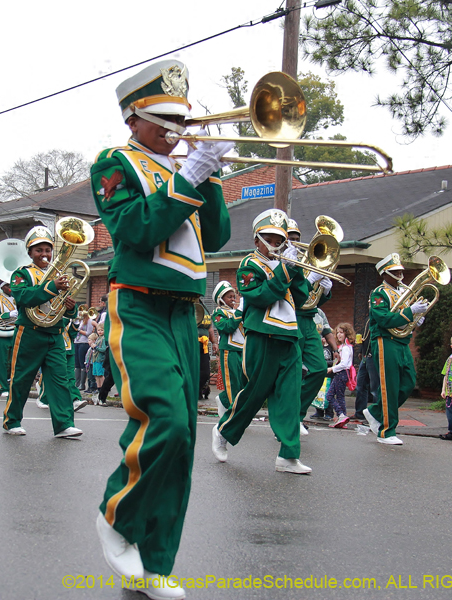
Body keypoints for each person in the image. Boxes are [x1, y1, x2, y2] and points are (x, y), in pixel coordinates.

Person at [91, 59, 231, 596]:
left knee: (182, 444)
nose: (178, 131)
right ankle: (114, 515)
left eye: (183, 120)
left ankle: (156, 563)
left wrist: (211, 175)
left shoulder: (185, 171)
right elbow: (134, 228)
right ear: (133, 118)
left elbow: (215, 237)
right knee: (165, 421)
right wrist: (189, 176)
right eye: (165, 119)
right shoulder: (115, 161)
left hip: (184, 315)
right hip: (140, 306)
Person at [213, 209, 311, 474]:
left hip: (290, 335)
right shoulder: (249, 264)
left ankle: (288, 456)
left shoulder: (285, 264)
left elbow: (303, 300)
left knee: (290, 396)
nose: (277, 243)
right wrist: (284, 272)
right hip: (262, 334)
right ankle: (223, 431)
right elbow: (260, 296)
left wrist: (303, 274)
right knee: (254, 394)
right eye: (270, 237)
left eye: (280, 238)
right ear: (257, 239)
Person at [2, 225, 82, 438]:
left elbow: (65, 309)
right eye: (39, 250)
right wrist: (52, 287)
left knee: (59, 380)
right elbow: (23, 297)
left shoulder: (60, 275)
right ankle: (12, 420)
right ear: (30, 252)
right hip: (30, 332)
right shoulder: (21, 274)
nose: (44, 254)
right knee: (21, 379)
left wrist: (70, 307)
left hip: (54, 333)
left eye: (47, 250)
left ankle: (64, 424)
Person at [362, 253, 429, 445]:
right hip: (385, 340)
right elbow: (383, 319)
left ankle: (375, 411)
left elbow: (405, 319)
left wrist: (416, 318)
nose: (400, 274)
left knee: (408, 382)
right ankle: (386, 431)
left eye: (400, 270)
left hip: (402, 341)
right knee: (389, 386)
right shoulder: (379, 293)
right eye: (394, 271)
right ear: (385, 274)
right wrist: (410, 312)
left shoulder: (403, 292)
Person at [286, 219, 334, 431]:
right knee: (293, 373)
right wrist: (307, 280)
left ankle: (296, 415)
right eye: (290, 239)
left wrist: (325, 289)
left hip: (308, 320)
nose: (295, 243)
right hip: (289, 320)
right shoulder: (281, 262)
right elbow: (288, 295)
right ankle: (290, 419)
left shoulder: (308, 261)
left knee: (319, 369)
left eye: (297, 239)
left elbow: (313, 300)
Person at [211, 281, 245, 418]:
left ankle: (223, 400)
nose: (233, 299)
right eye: (229, 297)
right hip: (229, 351)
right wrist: (239, 312)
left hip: (242, 350)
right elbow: (227, 327)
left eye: (234, 296)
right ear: (220, 299)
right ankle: (232, 414)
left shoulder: (237, 311)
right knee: (232, 382)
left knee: (243, 382)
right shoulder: (218, 312)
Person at [326, 322, 355, 428]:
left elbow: (344, 364)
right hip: (342, 374)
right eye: (337, 332)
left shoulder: (346, 348)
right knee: (340, 397)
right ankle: (342, 418)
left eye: (341, 333)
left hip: (341, 373)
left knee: (329, 396)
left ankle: (341, 414)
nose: (339, 335)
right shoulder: (343, 346)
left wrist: (332, 369)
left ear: (347, 334)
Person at [74, 309, 95, 391]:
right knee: (77, 364)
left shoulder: (89, 321)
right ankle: (77, 383)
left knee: (82, 363)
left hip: (84, 343)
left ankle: (82, 384)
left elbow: (88, 333)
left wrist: (78, 330)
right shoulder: (80, 321)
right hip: (77, 342)